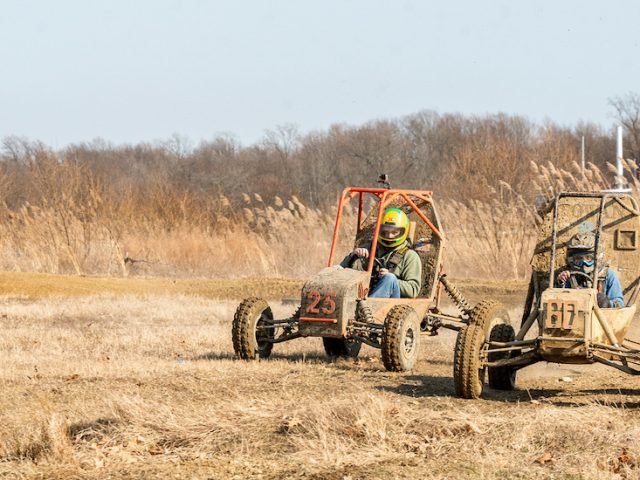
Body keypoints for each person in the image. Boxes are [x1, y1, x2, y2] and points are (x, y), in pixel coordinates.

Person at [341, 207, 422, 298]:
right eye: (385, 231)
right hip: (364, 294)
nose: (389, 236)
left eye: (394, 232)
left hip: (391, 303)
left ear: (403, 231)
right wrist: (353, 256)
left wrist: (392, 279)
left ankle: (369, 307)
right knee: (337, 268)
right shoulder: (369, 247)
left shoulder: (410, 256)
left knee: (390, 278)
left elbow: (413, 289)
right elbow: (341, 270)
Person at [556, 231, 624, 308]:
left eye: (588, 258)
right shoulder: (567, 274)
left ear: (598, 257)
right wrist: (560, 283)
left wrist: (608, 303)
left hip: (600, 318)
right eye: (578, 258)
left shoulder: (608, 275)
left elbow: (620, 304)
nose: (584, 262)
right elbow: (555, 301)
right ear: (571, 259)